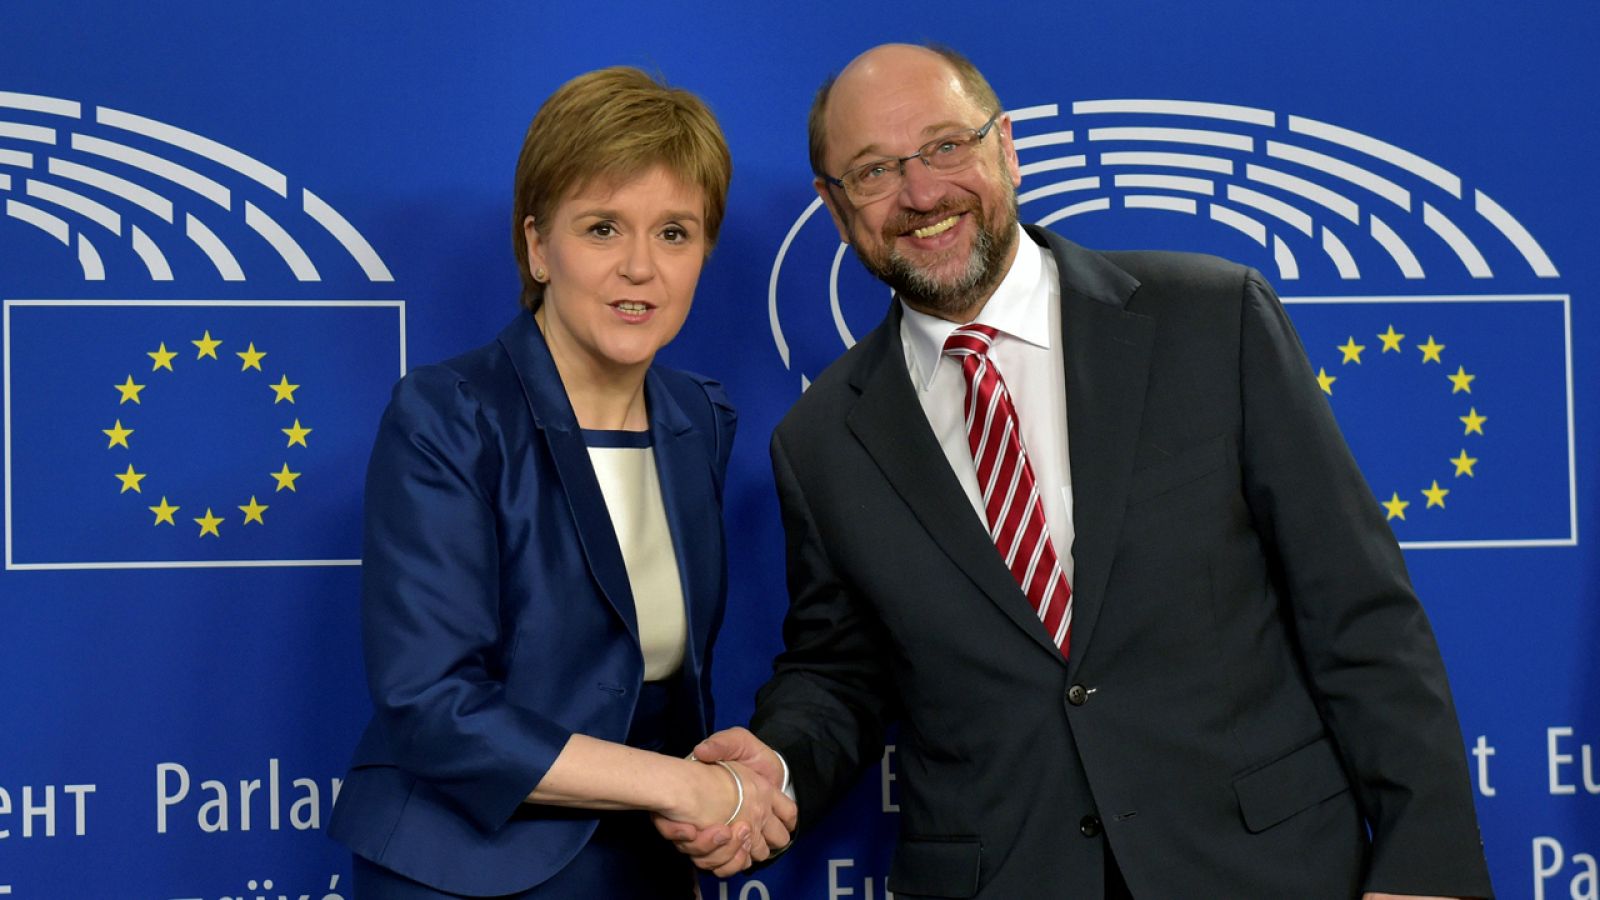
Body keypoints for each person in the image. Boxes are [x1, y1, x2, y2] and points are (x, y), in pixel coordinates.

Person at [661, 43, 1493, 899]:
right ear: (836, 211)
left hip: (1265, 869)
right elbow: (842, 672)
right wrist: (777, 766)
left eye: (947, 146)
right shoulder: (821, 439)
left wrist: (1426, 870)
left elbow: (1358, 612)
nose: (921, 193)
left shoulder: (1211, 322)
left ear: (1005, 148)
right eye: (874, 170)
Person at [326, 66, 794, 897]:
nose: (641, 269)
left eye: (675, 233)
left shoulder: (698, 419)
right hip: (462, 867)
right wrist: (687, 787)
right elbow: (431, 706)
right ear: (538, 245)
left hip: (647, 864)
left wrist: (727, 795)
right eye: (604, 229)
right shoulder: (449, 413)